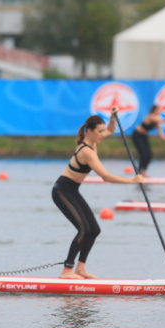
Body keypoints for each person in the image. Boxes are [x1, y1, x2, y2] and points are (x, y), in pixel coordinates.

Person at [52, 107, 143, 280]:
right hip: (62, 191)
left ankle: (81, 269)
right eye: (99, 131)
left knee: (94, 230)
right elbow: (106, 176)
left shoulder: (93, 141)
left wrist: (113, 118)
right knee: (83, 229)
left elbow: (110, 129)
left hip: (72, 190)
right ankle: (66, 271)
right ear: (90, 131)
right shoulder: (86, 151)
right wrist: (131, 181)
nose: (103, 134)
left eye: (102, 131)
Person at [132, 105, 165, 175]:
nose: (161, 111)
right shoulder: (151, 116)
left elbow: (162, 136)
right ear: (155, 110)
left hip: (144, 136)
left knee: (149, 155)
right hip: (137, 135)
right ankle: (139, 174)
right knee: (144, 154)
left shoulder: (157, 121)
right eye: (160, 109)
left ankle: (143, 172)